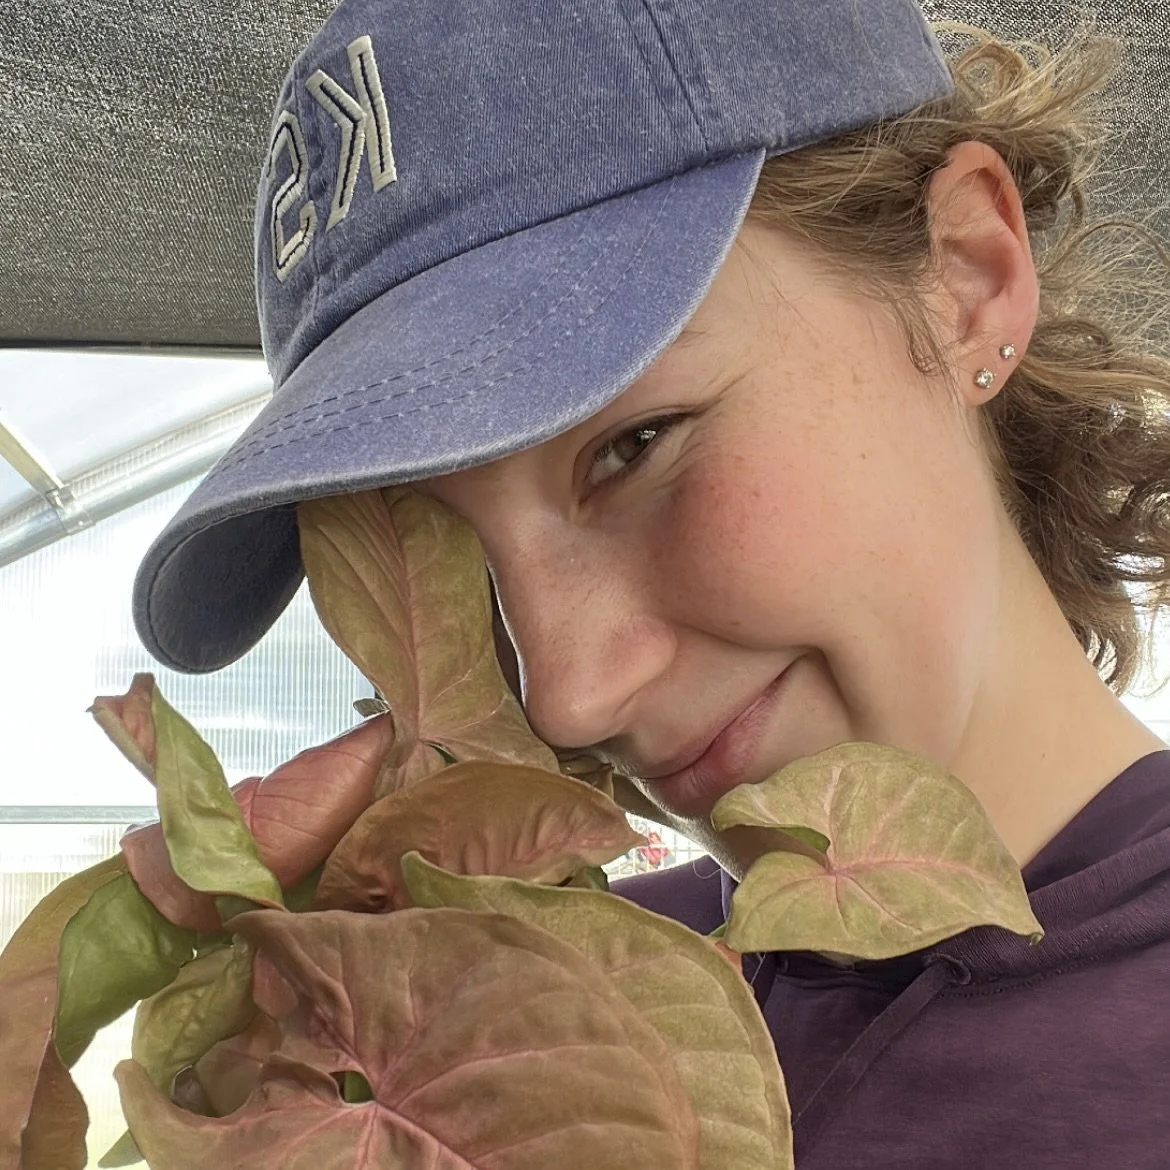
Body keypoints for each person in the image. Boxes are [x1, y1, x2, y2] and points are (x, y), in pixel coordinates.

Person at [131, 0, 1170, 1164]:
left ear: (968, 279)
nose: (566, 698)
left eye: (635, 446)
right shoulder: (539, 1019)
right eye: (447, 566)